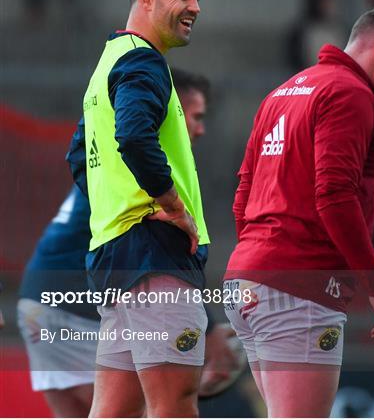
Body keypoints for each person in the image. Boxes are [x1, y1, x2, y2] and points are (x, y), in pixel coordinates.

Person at [223, 4, 374, 417]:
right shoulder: (352, 95)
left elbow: (242, 194)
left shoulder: (284, 91)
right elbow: (334, 196)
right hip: (300, 287)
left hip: (247, 280)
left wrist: (260, 260)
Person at [17, 68, 239, 417]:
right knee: (151, 408)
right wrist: (207, 327)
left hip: (42, 296)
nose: (200, 128)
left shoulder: (116, 157)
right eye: (193, 115)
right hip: (70, 303)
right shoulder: (150, 169)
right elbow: (159, 256)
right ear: (169, 110)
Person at [66, 0, 210, 418]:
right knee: (175, 405)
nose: (195, 7)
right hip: (156, 257)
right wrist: (170, 204)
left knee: (115, 414)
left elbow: (77, 158)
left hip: (116, 260)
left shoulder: (108, 62)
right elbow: (133, 136)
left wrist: (119, 212)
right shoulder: (144, 62)